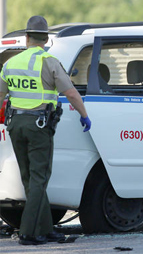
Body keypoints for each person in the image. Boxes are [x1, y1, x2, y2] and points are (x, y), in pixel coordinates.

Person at [0, 16, 91, 245]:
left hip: (15, 126)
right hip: (38, 126)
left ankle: (46, 228)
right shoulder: (50, 62)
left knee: (29, 179)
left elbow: (0, 94)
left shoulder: (10, 63)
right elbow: (70, 93)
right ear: (46, 39)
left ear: (27, 37)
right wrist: (84, 115)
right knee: (39, 178)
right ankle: (28, 232)